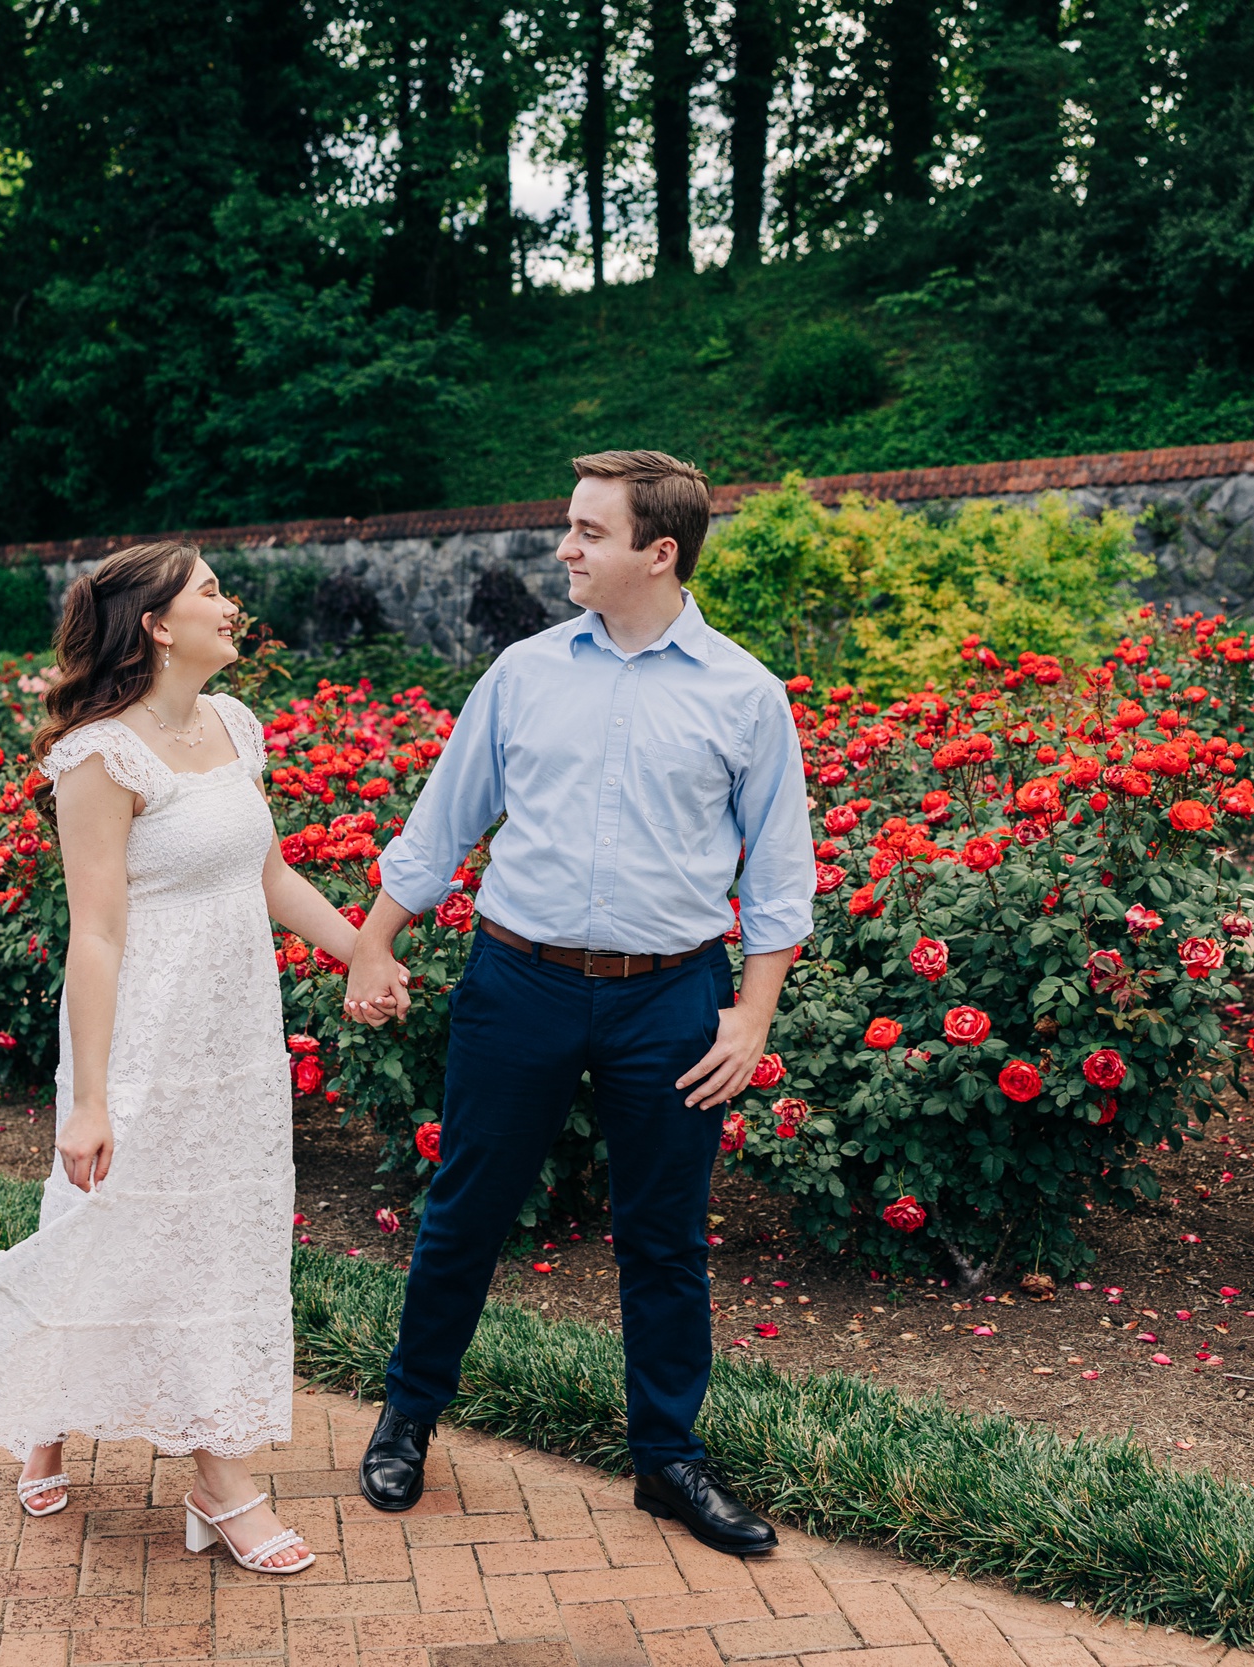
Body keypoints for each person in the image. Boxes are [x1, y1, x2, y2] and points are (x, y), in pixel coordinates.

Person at [339, 450, 814, 1556]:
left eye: (588, 532)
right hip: (520, 983)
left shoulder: (745, 693)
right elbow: (441, 823)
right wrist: (372, 941)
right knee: (464, 1212)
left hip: (671, 1002)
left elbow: (780, 877)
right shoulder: (522, 673)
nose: (565, 547)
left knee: (663, 1240)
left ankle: (668, 1461)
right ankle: (409, 1414)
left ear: (659, 551)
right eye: (569, 525)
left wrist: (750, 1016)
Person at [0, 542, 401, 1576]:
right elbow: (95, 933)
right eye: (212, 592)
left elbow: (266, 870)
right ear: (157, 626)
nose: (234, 606)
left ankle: (112, 1427)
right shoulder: (99, 755)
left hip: (235, 1036)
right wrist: (88, 1098)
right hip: (141, 1034)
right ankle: (214, 1479)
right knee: (111, 1221)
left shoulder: (235, 726)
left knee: (221, 1234)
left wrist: (360, 946)